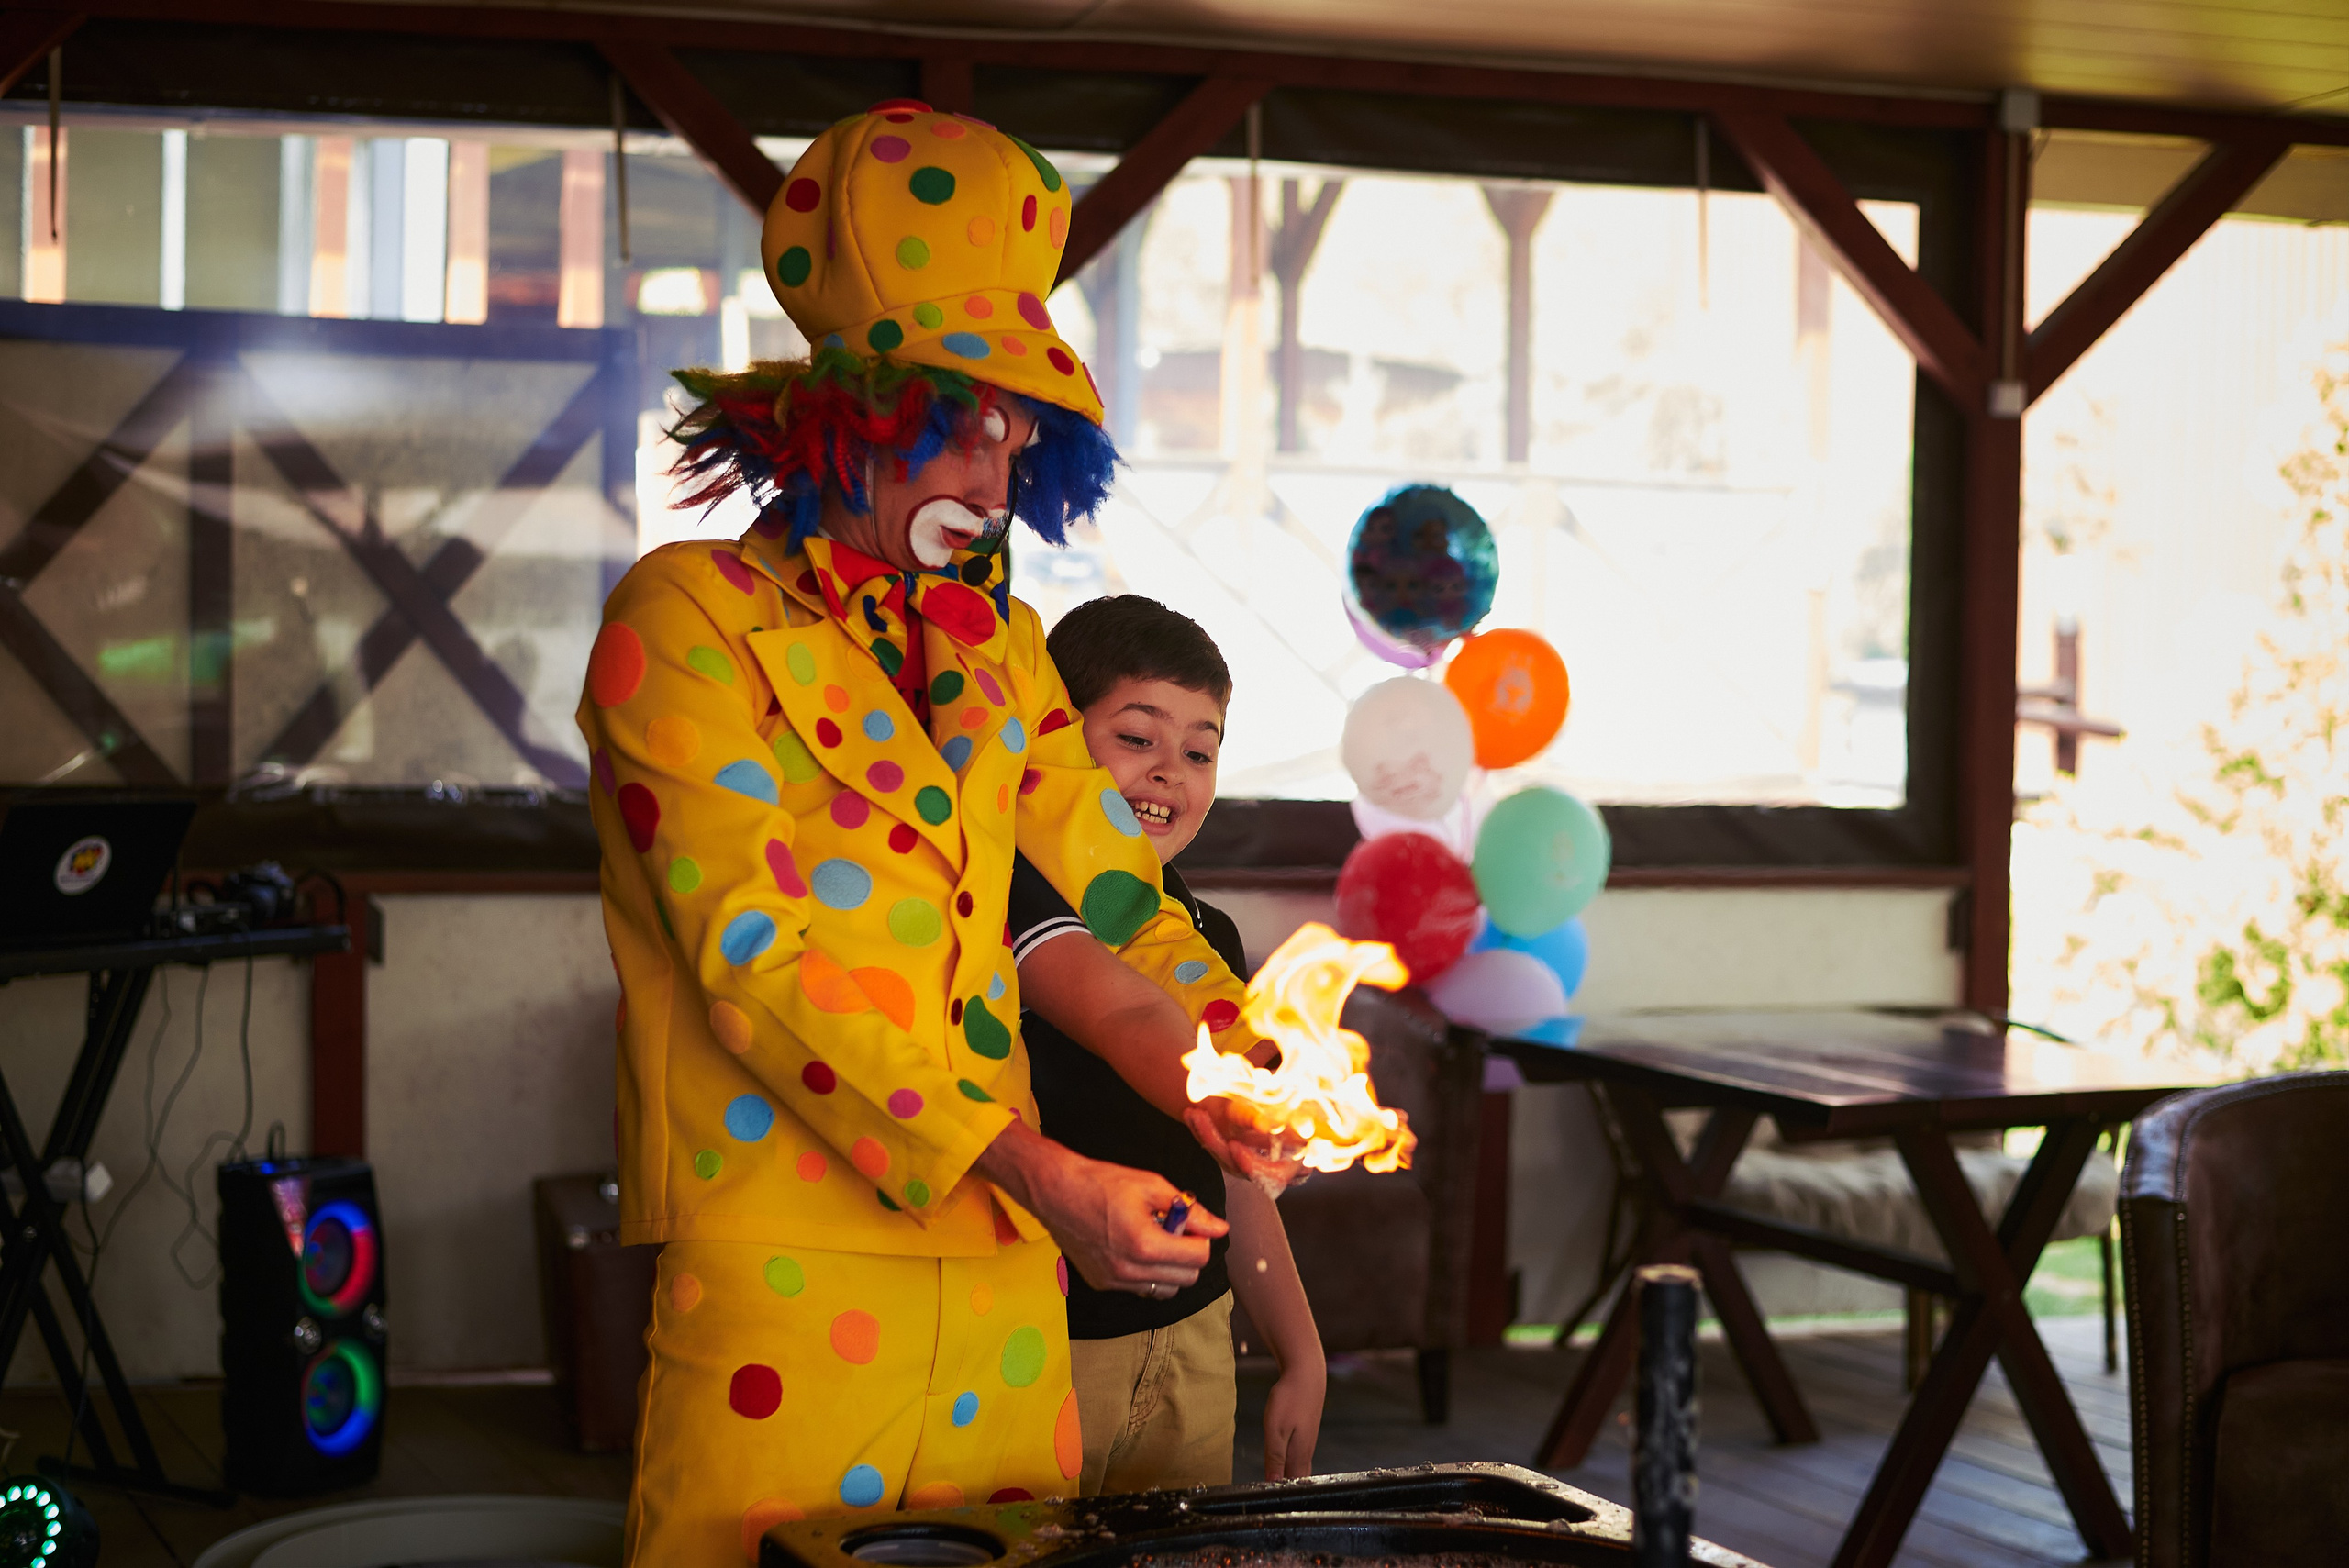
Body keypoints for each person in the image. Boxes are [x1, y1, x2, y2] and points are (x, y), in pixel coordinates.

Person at [577, 100, 1272, 1565]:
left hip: (1007, 1269)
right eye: (965, 425)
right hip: (788, 1246)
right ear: (851, 420)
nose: (997, 478)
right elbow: (755, 962)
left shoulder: (1002, 646)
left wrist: (1242, 1063)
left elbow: (1119, 900)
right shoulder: (684, 617)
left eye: (1021, 438)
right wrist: (1032, 1166)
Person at [1006, 595, 1326, 1492]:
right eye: (1136, 736)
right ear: (1057, 744)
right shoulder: (998, 914)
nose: (1167, 773)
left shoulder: (1206, 939)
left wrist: (1300, 1351)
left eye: (1198, 751)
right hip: (1042, 1347)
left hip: (1195, 1341)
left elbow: (1234, 1171)